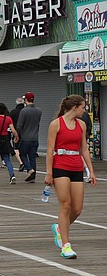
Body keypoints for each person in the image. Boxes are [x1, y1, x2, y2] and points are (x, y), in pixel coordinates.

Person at [45, 94, 96, 259]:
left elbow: (84, 149)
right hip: (60, 166)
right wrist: (49, 172)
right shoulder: (56, 124)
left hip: (76, 166)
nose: (84, 110)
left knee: (77, 208)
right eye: (82, 107)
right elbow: (50, 150)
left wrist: (91, 170)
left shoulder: (81, 125)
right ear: (75, 107)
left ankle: (60, 227)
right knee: (65, 205)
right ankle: (66, 245)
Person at [16, 92, 42, 182]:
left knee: (22, 154)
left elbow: (19, 126)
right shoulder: (39, 111)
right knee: (32, 156)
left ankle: (29, 169)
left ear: (25, 100)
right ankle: (33, 177)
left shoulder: (24, 111)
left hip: (25, 138)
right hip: (35, 138)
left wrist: (17, 136)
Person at [10, 97, 25, 170]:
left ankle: (21, 162)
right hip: (27, 132)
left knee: (16, 148)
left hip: (16, 132)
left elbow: (10, 123)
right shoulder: (26, 111)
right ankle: (27, 163)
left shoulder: (13, 112)